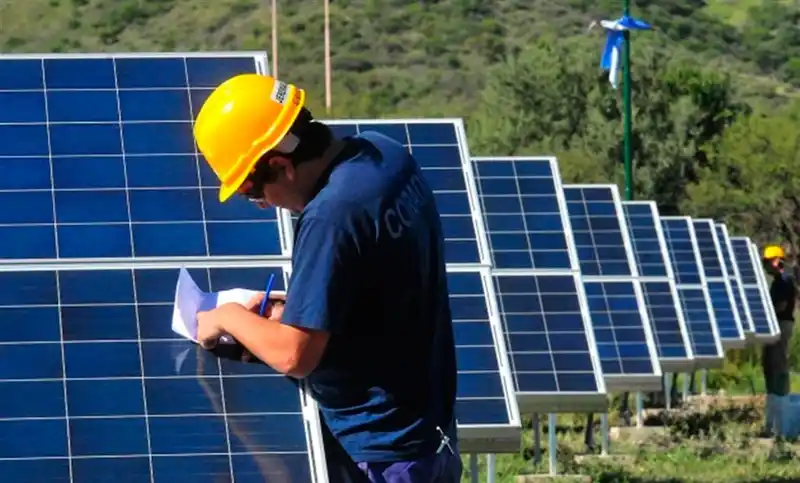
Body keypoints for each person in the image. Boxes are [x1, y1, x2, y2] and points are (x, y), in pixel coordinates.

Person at [190, 73, 463, 483]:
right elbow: (377, 280)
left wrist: (227, 316)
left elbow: (295, 357)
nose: (262, 205)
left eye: (251, 190)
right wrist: (295, 309)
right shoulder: (384, 156)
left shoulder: (330, 216)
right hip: (429, 427)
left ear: (281, 166)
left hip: (387, 451)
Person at [761, 244, 797, 435]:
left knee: (778, 365)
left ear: (777, 261)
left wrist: (765, 314)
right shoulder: (777, 280)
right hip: (775, 324)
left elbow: (781, 307)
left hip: (781, 325)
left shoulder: (785, 280)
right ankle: (773, 412)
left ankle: (781, 410)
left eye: (768, 262)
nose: (766, 266)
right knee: (769, 365)